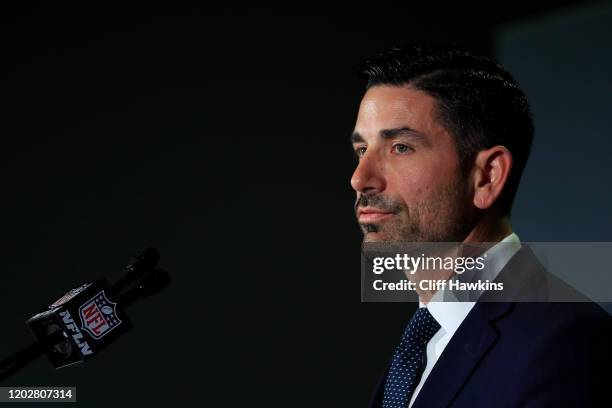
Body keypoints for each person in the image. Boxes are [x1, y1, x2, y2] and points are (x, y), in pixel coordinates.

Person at [350, 44, 612, 407]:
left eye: (400, 147)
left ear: (487, 177)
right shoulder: (422, 342)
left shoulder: (568, 343)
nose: (360, 178)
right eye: (362, 150)